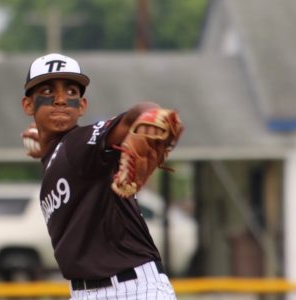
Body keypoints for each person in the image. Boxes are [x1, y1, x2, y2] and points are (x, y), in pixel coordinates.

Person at [21, 53, 182, 299]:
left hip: (131, 290)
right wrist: (39, 141)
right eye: (47, 90)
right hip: (87, 292)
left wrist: (150, 113)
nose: (61, 99)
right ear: (28, 105)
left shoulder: (80, 143)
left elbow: (133, 118)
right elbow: (53, 149)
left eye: (72, 92)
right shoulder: (56, 153)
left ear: (82, 106)